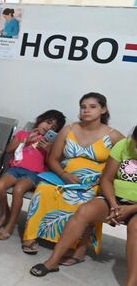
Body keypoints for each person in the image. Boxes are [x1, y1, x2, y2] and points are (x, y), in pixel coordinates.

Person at [29, 125, 137, 286]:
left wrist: (131, 209)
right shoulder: (124, 145)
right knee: (85, 211)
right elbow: (106, 179)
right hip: (116, 199)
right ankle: (53, 261)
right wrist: (114, 205)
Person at [22, 92, 123, 256]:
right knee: (43, 189)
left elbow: (128, 156)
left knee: (84, 199)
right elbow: (53, 159)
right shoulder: (68, 130)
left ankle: (72, 244)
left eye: (92, 107)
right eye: (83, 107)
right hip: (63, 177)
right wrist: (64, 175)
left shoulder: (113, 135)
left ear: (103, 110)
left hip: (93, 183)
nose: (86, 110)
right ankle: (30, 236)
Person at [0, 110, 66, 240]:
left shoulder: (51, 144)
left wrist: (49, 149)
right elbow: (9, 149)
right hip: (15, 169)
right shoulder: (23, 134)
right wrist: (26, 141)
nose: (48, 127)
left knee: (18, 190)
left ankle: (10, 225)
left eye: (53, 127)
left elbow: (53, 162)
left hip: (34, 173)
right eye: (48, 122)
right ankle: (5, 214)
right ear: (40, 120)